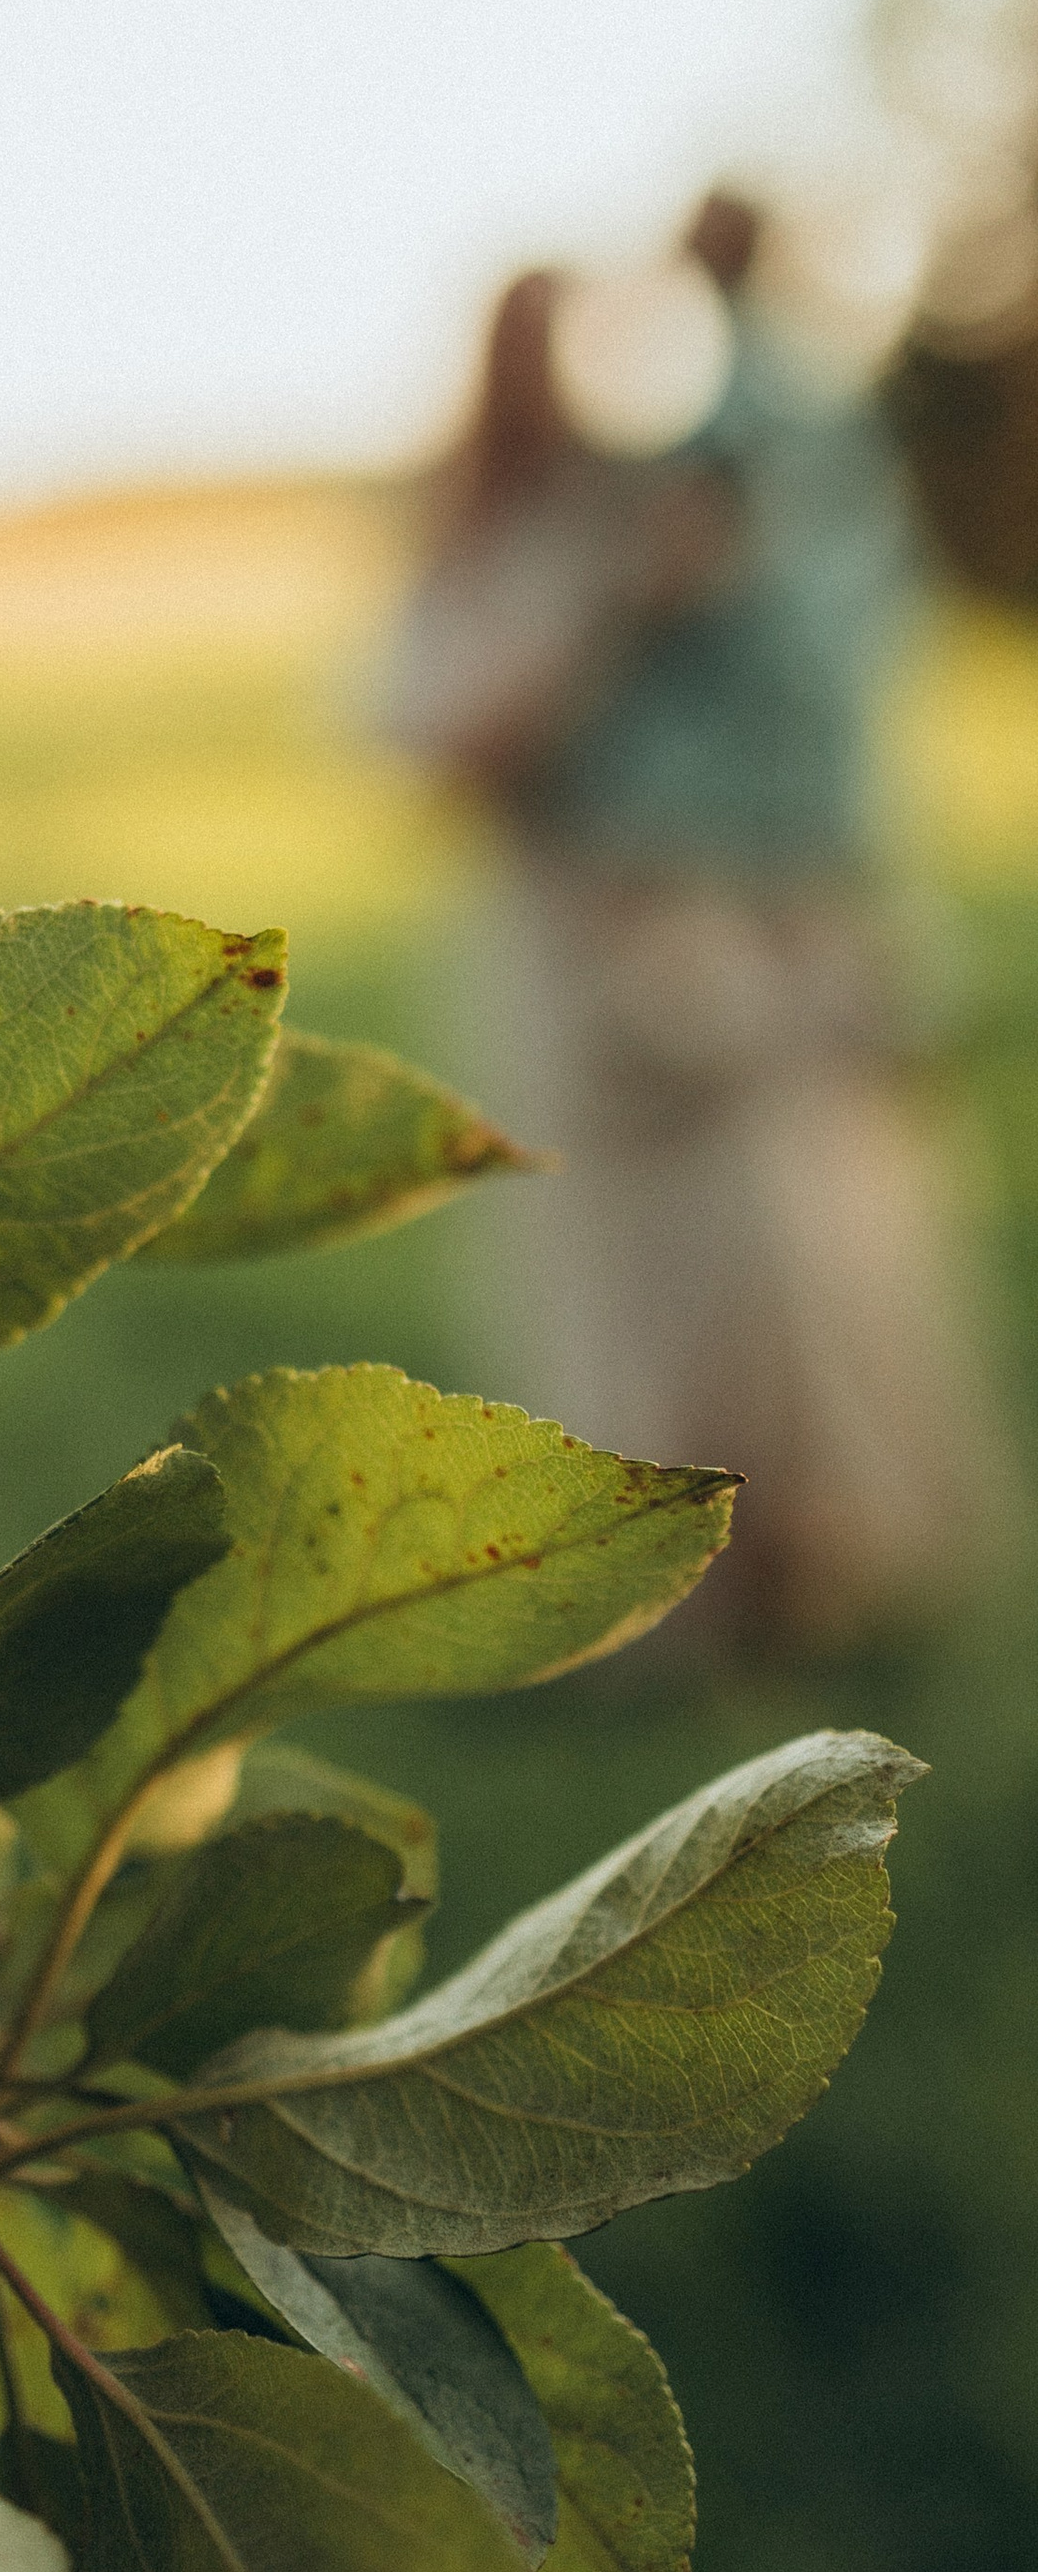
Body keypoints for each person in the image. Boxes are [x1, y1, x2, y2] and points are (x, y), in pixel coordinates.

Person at [385, 193, 1019, 1658]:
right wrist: (621, 611)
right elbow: (448, 749)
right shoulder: (510, 544)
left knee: (774, 1247)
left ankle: (805, 1556)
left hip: (701, 918)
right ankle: (664, 1596)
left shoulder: (708, 480)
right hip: (567, 942)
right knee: (625, 1276)